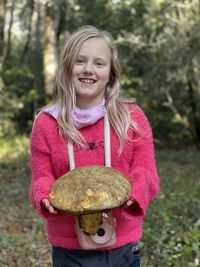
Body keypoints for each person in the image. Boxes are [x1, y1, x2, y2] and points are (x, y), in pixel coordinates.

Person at [30, 25, 159, 267]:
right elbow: (42, 176)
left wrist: (137, 190)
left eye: (99, 63)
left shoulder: (132, 117)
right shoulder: (46, 123)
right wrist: (44, 194)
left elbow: (146, 170)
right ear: (67, 67)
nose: (88, 69)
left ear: (111, 72)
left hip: (126, 245)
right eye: (80, 61)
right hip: (70, 250)